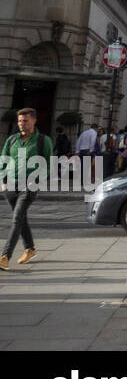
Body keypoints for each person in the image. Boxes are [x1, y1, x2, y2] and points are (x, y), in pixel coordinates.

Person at [0, 108, 53, 270]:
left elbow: (48, 165)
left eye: (25, 120)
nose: (22, 124)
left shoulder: (43, 140)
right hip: (10, 185)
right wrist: (3, 180)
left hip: (29, 186)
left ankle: (5, 256)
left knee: (16, 219)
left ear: (34, 121)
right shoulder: (12, 140)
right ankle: (30, 249)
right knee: (21, 218)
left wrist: (36, 180)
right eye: (20, 121)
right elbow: (4, 160)